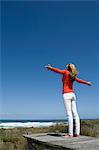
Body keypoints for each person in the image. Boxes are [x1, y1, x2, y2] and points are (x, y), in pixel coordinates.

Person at [45, 63, 91, 137]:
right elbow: (79, 80)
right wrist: (87, 83)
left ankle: (70, 134)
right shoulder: (73, 75)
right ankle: (77, 133)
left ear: (67, 67)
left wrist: (50, 68)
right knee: (75, 114)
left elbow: (58, 71)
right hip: (73, 95)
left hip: (66, 94)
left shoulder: (66, 72)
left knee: (69, 114)